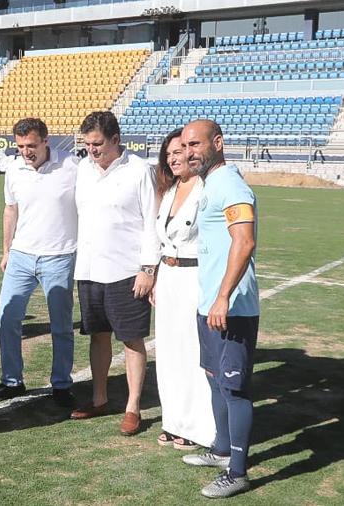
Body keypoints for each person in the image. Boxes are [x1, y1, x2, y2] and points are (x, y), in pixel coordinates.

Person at [180, 119, 260, 499]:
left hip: (232, 308)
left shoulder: (229, 183)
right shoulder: (210, 184)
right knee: (214, 377)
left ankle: (238, 471)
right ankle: (221, 449)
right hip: (211, 304)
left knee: (234, 389)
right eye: (185, 145)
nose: (189, 151)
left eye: (195, 144)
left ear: (218, 143)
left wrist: (224, 296)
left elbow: (244, 242)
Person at [69, 111, 158, 437]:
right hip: (90, 270)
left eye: (97, 144)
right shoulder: (82, 169)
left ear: (116, 140)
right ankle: (99, 399)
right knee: (98, 336)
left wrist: (148, 269)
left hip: (127, 271)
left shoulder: (139, 171)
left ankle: (133, 407)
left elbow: (152, 222)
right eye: (87, 144)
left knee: (132, 340)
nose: (91, 150)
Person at [0, 117, 79, 407]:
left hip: (60, 257)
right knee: (7, 319)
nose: (26, 151)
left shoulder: (72, 167)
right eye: (21, 146)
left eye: (32, 145)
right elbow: (10, 210)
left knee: (61, 325)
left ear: (46, 141)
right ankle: (12, 380)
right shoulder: (13, 169)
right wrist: (6, 250)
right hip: (21, 256)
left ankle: (61, 384)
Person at [151, 128, 215, 451]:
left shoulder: (207, 189)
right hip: (169, 276)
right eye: (170, 153)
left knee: (193, 353)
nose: (174, 158)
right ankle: (173, 420)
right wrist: (156, 275)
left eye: (180, 151)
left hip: (195, 277)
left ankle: (198, 427)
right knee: (168, 353)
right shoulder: (170, 189)